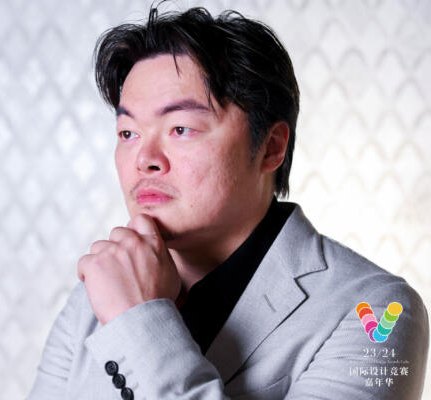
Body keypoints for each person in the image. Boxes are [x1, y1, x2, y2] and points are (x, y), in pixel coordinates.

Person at [26, 6, 428, 400]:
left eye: (180, 128)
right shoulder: (95, 291)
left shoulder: (377, 312)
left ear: (271, 147)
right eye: (128, 133)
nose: (144, 159)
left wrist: (138, 319)